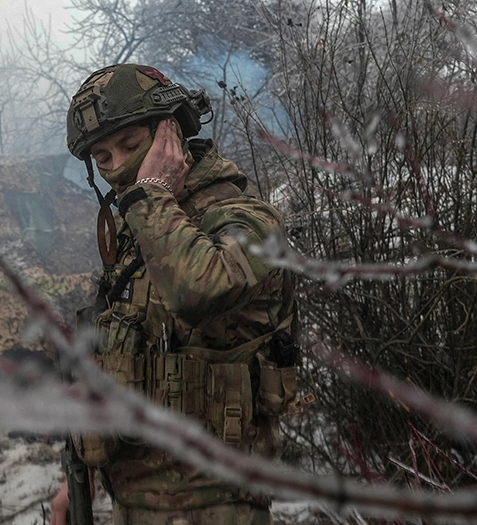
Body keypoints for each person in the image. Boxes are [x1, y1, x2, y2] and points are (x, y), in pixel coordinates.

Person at [51, 64, 299, 525]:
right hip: (135, 499)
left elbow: (199, 289)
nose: (118, 167)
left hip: (217, 502)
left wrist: (151, 195)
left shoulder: (241, 217)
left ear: (174, 132)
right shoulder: (143, 226)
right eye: (102, 158)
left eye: (130, 145)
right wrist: (78, 476)